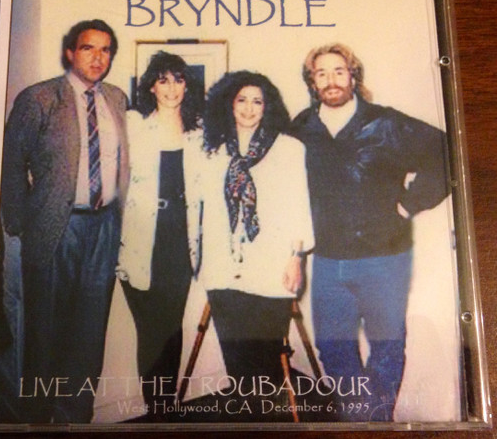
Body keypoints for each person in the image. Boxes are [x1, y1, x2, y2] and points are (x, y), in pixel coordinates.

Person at [288, 43, 450, 421]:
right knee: (334, 350)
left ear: (353, 76)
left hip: (384, 257)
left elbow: (447, 151)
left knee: (386, 349)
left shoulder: (385, 123)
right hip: (327, 260)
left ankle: (374, 424)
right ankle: (361, 421)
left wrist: (410, 203)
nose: (331, 80)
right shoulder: (302, 128)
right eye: (321, 73)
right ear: (312, 82)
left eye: (339, 71)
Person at [0, 19, 129, 423]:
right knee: (46, 331)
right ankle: (38, 419)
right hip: (56, 228)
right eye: (89, 48)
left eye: (106, 50)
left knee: (90, 331)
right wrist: (21, 224)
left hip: (104, 227)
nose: (98, 57)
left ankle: (77, 416)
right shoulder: (39, 98)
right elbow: (11, 164)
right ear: (70, 52)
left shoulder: (117, 98)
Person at [199, 71, 313, 414]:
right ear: (229, 104)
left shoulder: (289, 148)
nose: (249, 109)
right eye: (242, 100)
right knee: (237, 362)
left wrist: (296, 258)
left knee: (265, 363)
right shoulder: (213, 151)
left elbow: (299, 207)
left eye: (257, 101)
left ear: (268, 107)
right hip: (223, 268)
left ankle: (267, 422)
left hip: (271, 268)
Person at [116, 51, 203, 415]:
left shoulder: (199, 131)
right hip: (140, 241)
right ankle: (157, 410)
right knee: (151, 331)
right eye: (163, 80)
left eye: (178, 80)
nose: (171, 88)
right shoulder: (133, 125)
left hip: (179, 240)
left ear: (187, 85)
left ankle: (167, 408)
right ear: (151, 86)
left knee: (172, 328)